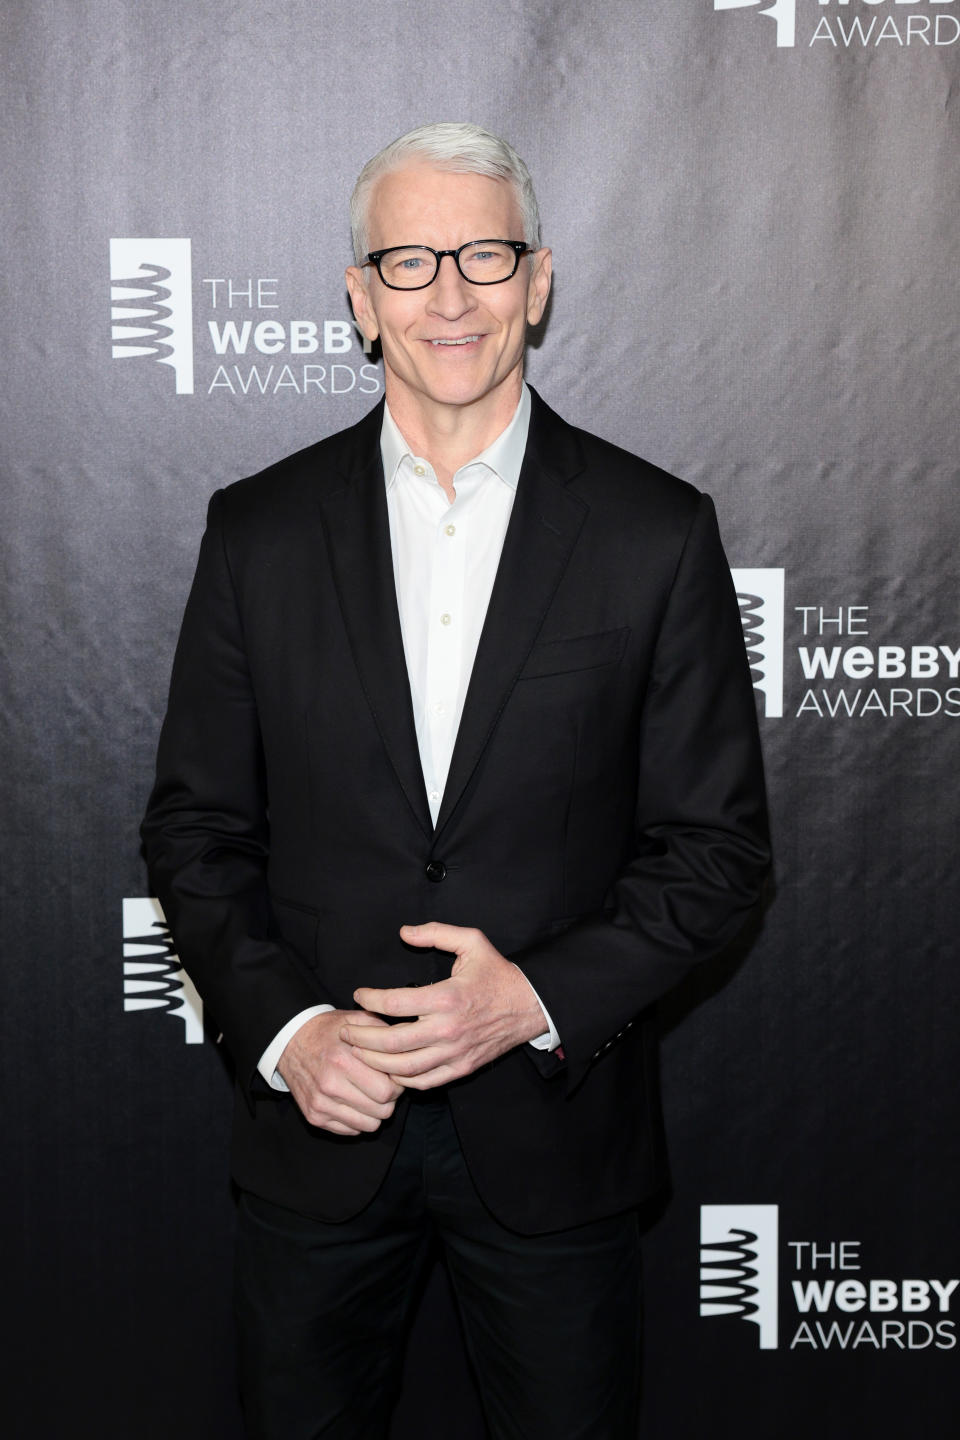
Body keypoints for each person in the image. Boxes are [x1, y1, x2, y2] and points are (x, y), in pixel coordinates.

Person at [141, 122, 770, 1440]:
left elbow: (715, 855)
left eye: (483, 253)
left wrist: (533, 1000)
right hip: (318, 1137)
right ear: (360, 300)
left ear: (537, 281)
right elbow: (197, 833)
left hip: (557, 1143)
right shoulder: (256, 531)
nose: (450, 294)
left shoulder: (656, 533)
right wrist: (293, 1036)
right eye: (409, 260)